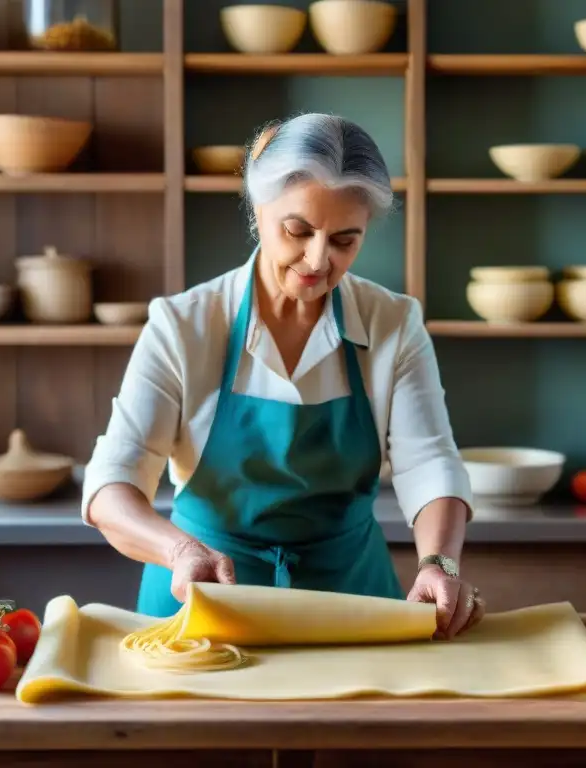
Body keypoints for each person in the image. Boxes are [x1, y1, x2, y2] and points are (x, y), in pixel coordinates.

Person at [82, 113, 483, 640]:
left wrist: (440, 564)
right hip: (200, 605)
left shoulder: (393, 323)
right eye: (298, 231)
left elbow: (429, 461)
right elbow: (111, 484)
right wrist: (177, 550)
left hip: (350, 601)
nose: (319, 259)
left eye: (344, 240)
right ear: (258, 205)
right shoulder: (184, 325)